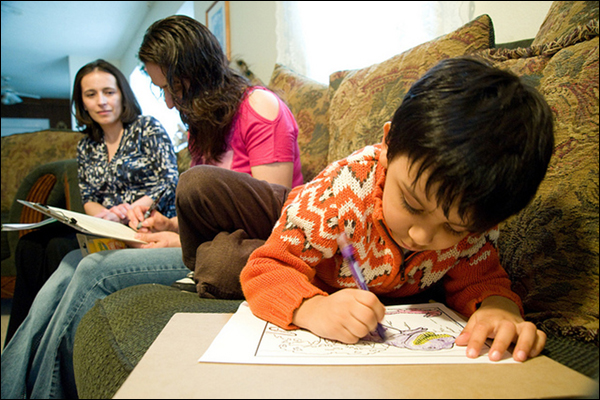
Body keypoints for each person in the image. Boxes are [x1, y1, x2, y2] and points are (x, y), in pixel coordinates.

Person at [1, 15, 302, 399]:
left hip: (249, 247)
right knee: (67, 266)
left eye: (172, 87)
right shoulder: (202, 125)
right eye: (162, 90)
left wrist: (180, 242)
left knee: (93, 272)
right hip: (208, 241)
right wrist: (171, 224)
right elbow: (213, 210)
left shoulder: (259, 106)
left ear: (197, 70)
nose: (170, 101)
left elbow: (271, 214)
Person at [240, 57, 554, 363]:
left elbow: (480, 280)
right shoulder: (333, 200)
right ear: (389, 144)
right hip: (305, 240)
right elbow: (266, 269)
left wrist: (498, 309)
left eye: (454, 229)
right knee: (226, 264)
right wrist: (312, 309)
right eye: (411, 204)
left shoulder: (475, 220)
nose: (421, 235)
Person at [3, 59, 178, 346]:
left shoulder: (146, 128)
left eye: (109, 92)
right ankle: (21, 343)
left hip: (144, 224)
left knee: (59, 248)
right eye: (91, 94)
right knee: (30, 246)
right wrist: (107, 214)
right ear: (82, 102)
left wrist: (135, 206)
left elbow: (169, 180)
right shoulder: (87, 144)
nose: (101, 102)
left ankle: (54, 338)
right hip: (104, 227)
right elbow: (90, 199)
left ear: (122, 94)